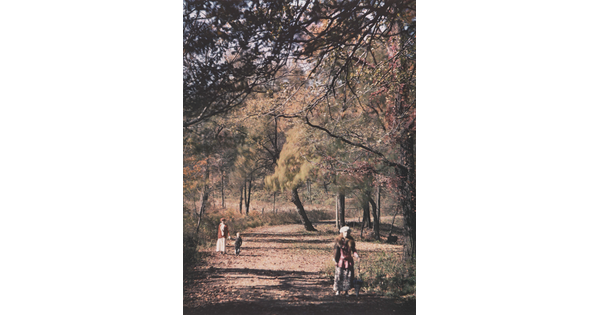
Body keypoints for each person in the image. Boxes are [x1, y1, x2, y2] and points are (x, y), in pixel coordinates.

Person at [333, 226, 359, 296]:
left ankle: (346, 291)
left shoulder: (351, 241)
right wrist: (335, 260)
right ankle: (338, 290)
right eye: (345, 232)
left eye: (348, 232)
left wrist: (357, 256)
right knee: (339, 276)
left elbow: (354, 251)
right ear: (342, 233)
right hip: (341, 261)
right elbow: (336, 252)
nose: (346, 233)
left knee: (348, 276)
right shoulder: (338, 241)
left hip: (349, 261)